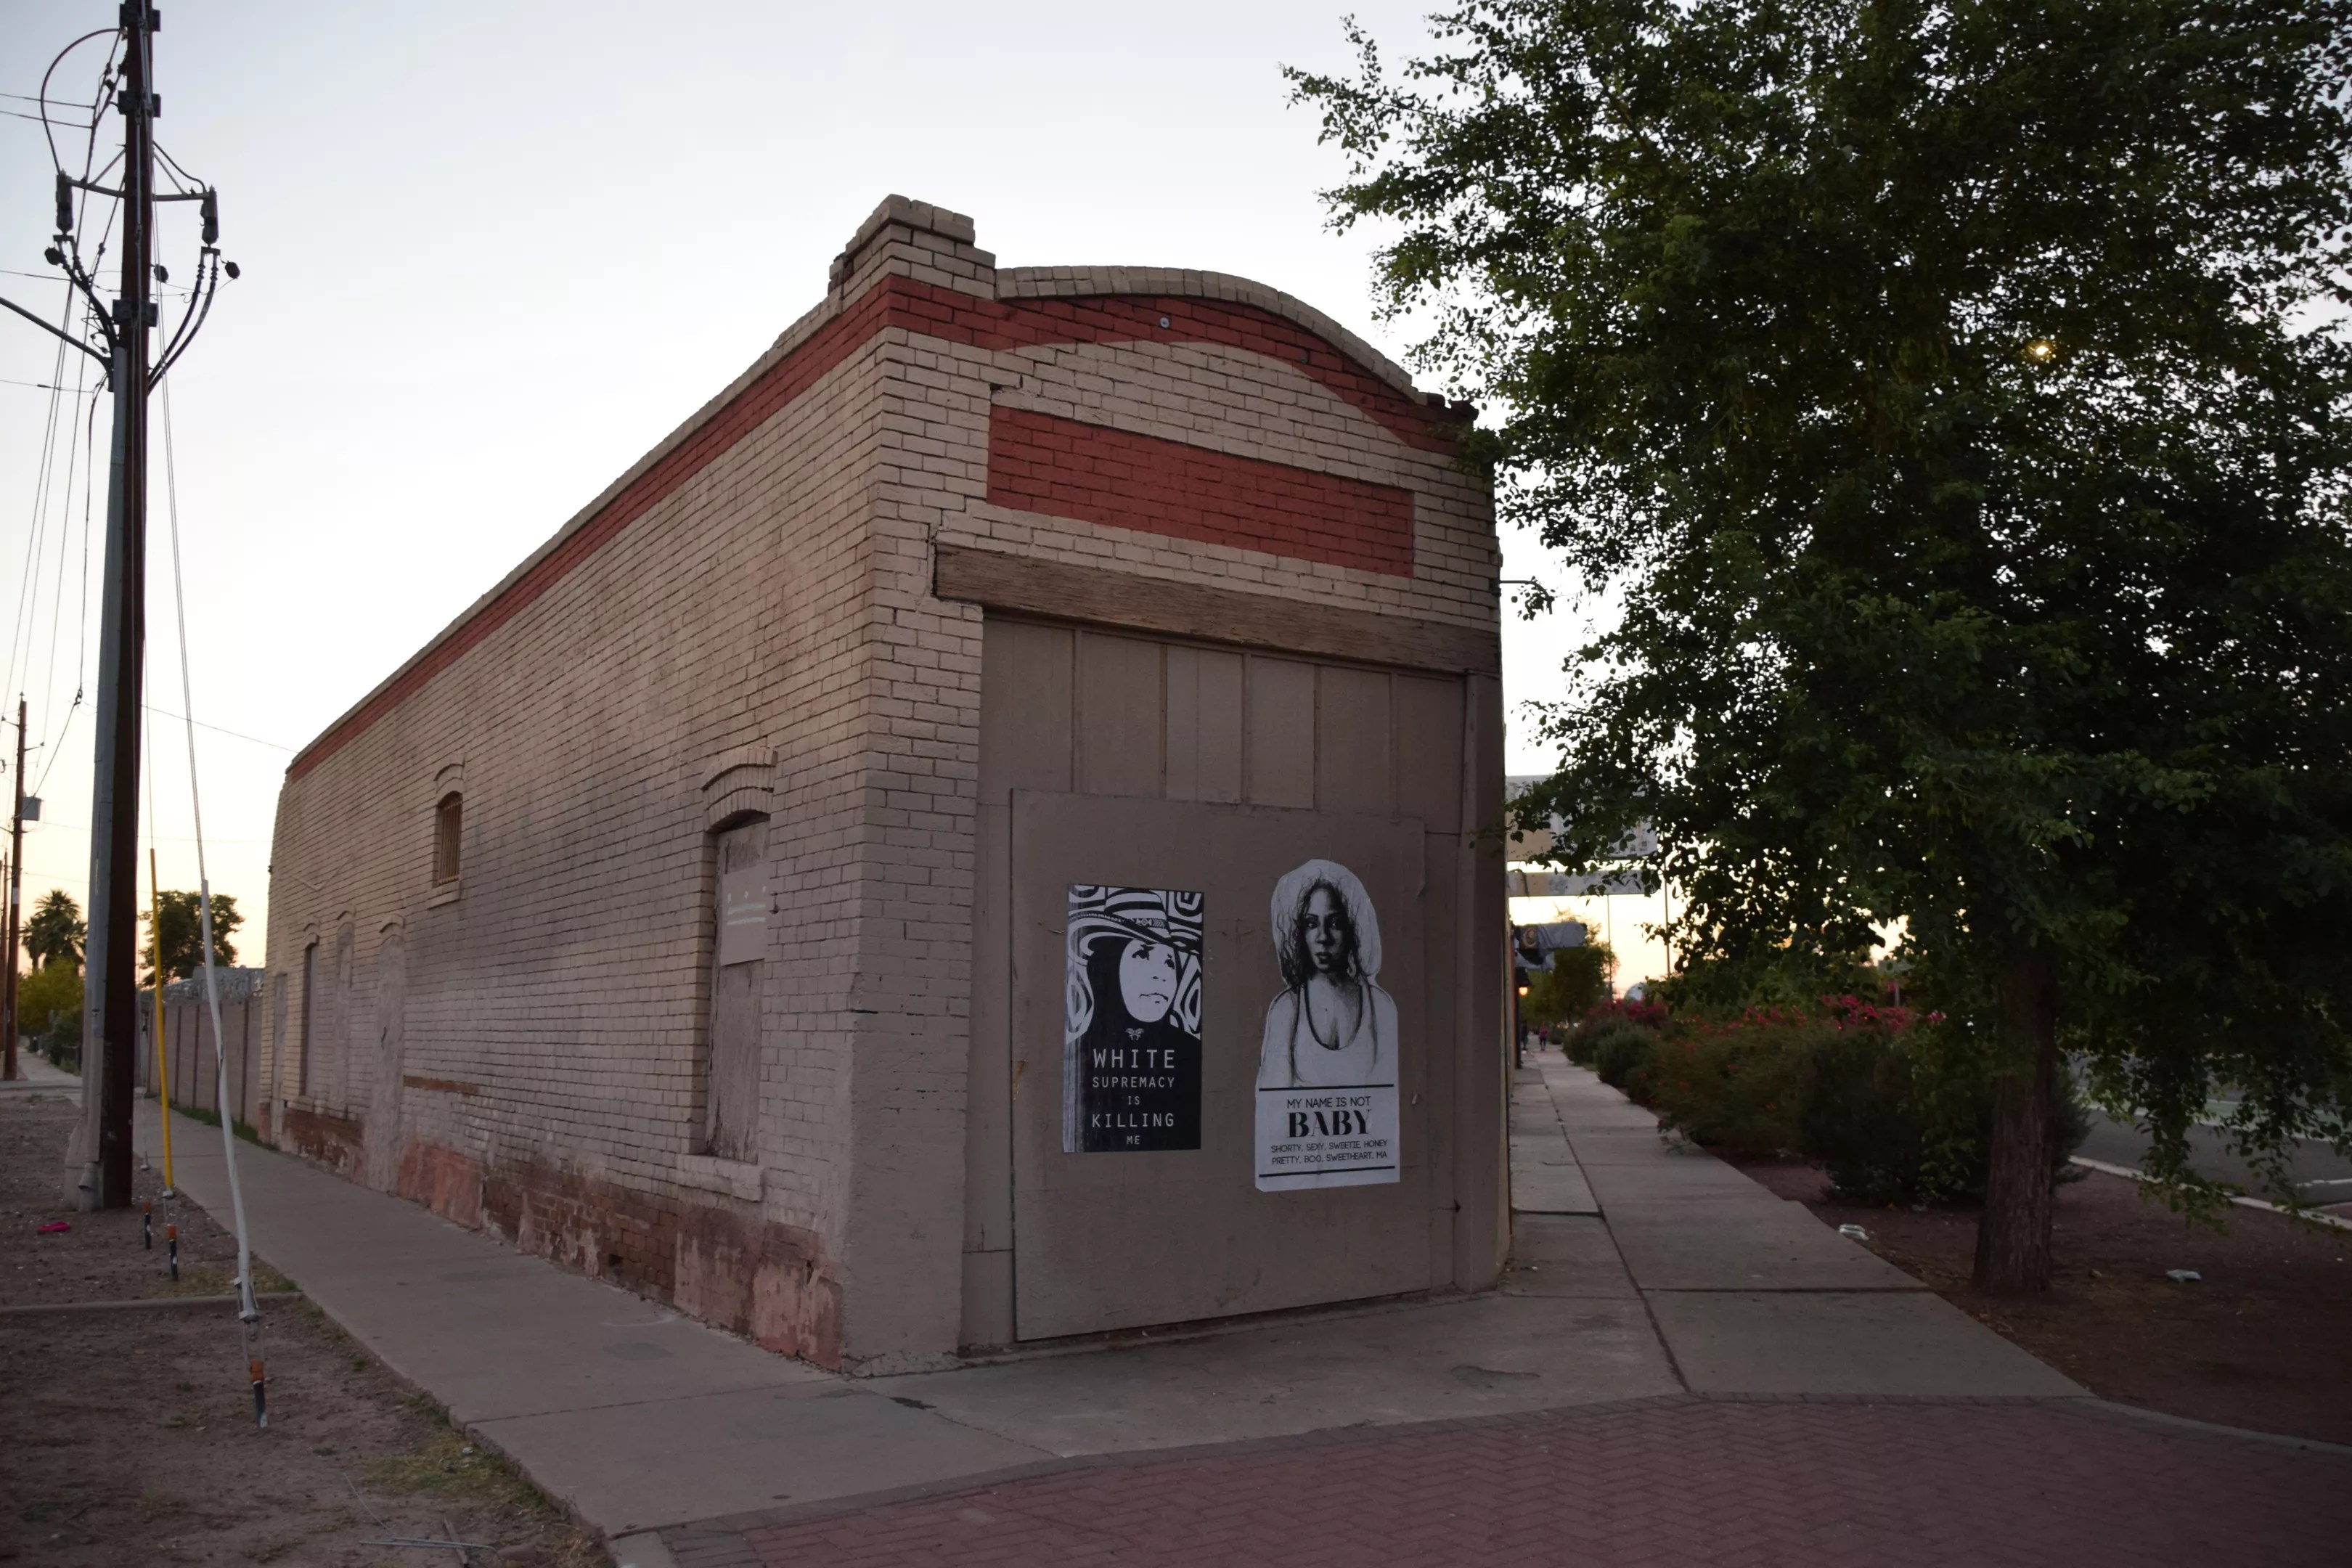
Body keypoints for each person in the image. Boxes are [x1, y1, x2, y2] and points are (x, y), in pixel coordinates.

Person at [1258, 859, 1397, 1090]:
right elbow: (1273, 1101)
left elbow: (1390, 1096)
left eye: (1335, 923)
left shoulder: (1381, 1007)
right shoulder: (1287, 1009)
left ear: (1351, 929)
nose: (1323, 937)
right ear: (1300, 933)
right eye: (1311, 924)